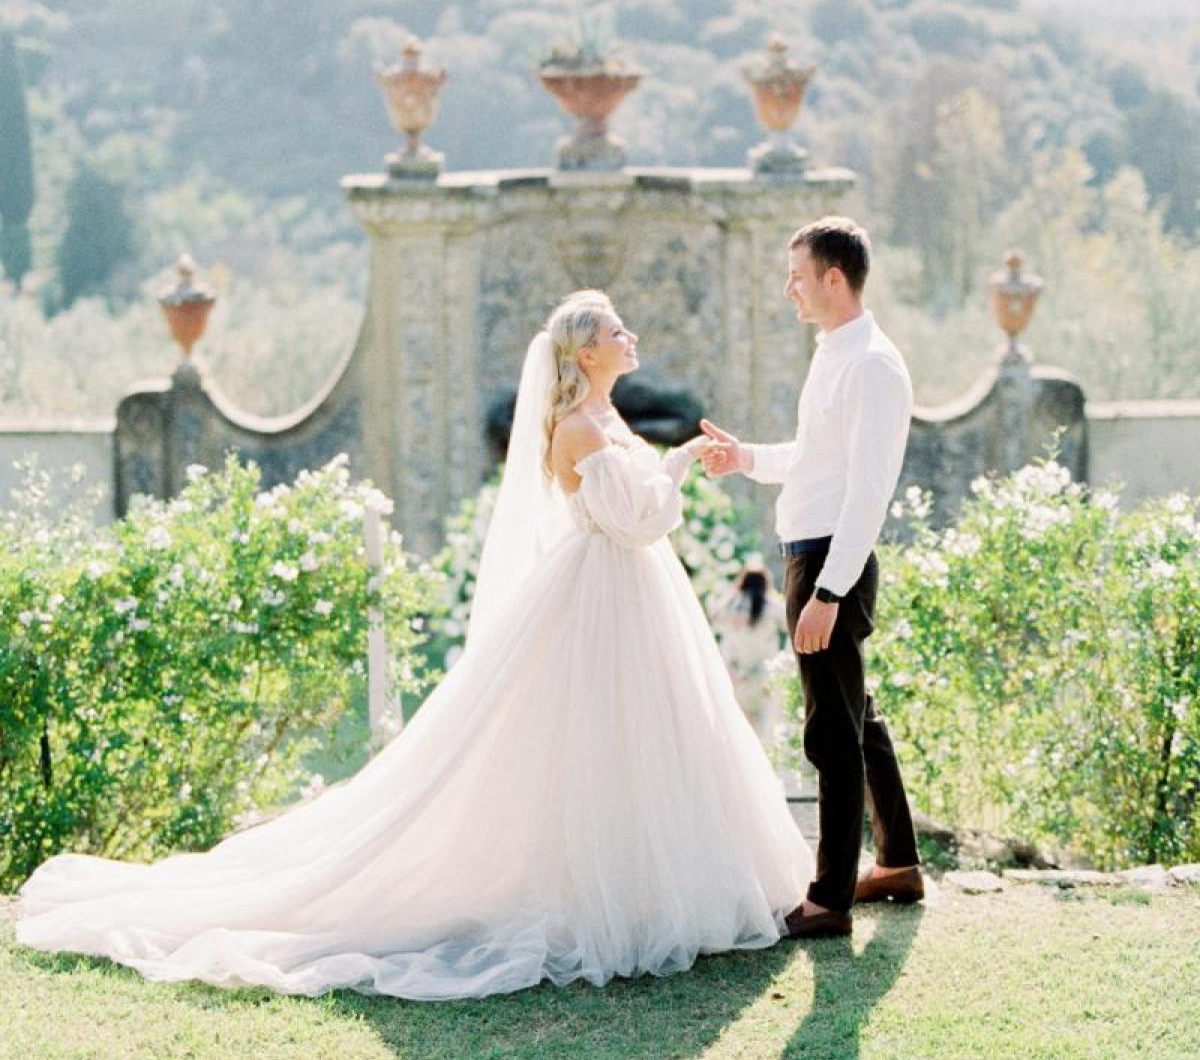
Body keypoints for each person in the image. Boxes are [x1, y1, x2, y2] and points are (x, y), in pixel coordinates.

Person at [18, 291, 812, 1000]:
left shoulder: (607, 418)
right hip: (602, 592)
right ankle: (603, 896)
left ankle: (651, 885)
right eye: (615, 328)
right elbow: (635, 520)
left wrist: (671, 467)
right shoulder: (574, 426)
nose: (630, 334)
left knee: (642, 736)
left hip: (635, 592)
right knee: (591, 737)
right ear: (586, 352)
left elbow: (637, 508)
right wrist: (677, 467)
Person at [699, 217, 923, 940]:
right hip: (813, 548)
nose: (788, 287)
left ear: (835, 277)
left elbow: (867, 491)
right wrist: (747, 460)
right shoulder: (835, 353)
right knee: (856, 713)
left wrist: (828, 591)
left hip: (831, 559)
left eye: (797, 274)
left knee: (831, 729)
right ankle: (898, 862)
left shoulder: (873, 366)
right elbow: (815, 456)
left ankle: (828, 897)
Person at [712, 562, 788, 754]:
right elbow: (789, 622)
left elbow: (715, 619)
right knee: (762, 724)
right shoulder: (770, 606)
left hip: (734, 672)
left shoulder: (730, 605)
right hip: (762, 673)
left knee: (736, 721)